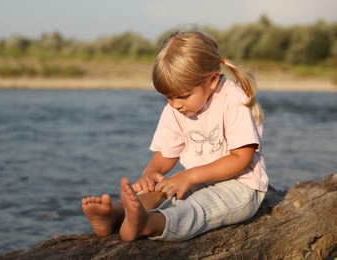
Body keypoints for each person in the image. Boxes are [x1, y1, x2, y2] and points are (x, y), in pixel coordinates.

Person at [81, 31, 268, 242]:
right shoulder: (176, 109)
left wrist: (188, 176)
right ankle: (116, 215)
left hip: (240, 186)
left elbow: (240, 159)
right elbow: (166, 154)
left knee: (199, 206)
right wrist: (152, 172)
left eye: (183, 96)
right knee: (163, 190)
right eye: (168, 97)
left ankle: (150, 224)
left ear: (212, 80)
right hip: (200, 180)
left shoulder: (233, 98)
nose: (175, 104)